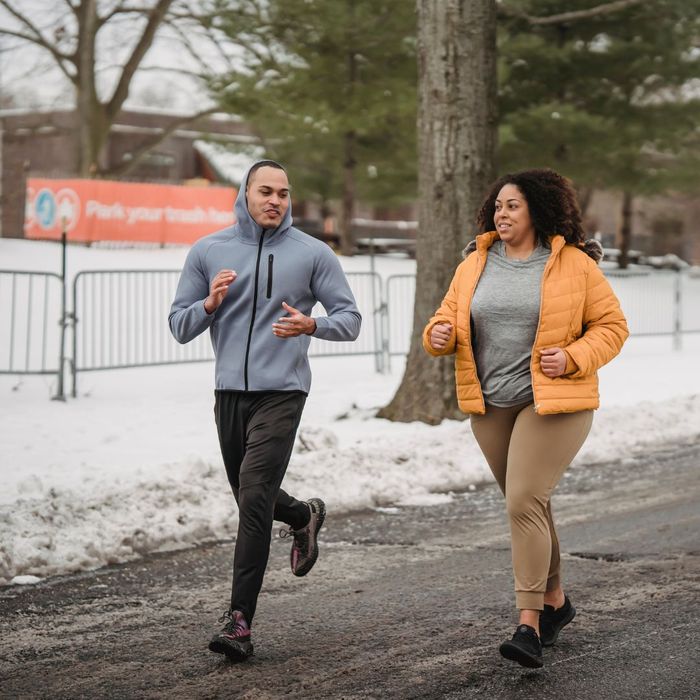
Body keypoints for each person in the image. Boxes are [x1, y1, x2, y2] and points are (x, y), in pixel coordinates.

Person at [423, 169, 628, 669]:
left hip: (555, 403)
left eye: (513, 205)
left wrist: (575, 356)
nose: (502, 213)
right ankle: (557, 602)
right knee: (529, 506)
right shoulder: (474, 263)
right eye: (498, 206)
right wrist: (439, 334)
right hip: (491, 404)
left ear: (536, 209)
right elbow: (445, 318)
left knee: (523, 500)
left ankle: (529, 624)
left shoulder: (574, 264)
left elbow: (613, 327)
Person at [169, 160, 362, 661]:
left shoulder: (312, 253)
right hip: (229, 392)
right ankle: (303, 514)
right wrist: (209, 305)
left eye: (283, 192)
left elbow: (351, 319)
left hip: (283, 391)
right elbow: (178, 324)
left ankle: (239, 622)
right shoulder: (209, 250)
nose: (275, 200)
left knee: (253, 500)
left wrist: (312, 326)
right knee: (249, 494)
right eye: (265, 191)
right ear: (246, 193)